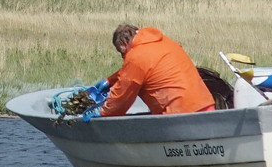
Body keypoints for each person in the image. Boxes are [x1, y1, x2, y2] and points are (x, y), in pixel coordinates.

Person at [83, 24, 216, 120]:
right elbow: (145, 68)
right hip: (206, 105)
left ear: (124, 43)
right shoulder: (162, 42)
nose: (123, 58)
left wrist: (104, 113)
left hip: (180, 115)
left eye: (121, 52)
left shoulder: (136, 56)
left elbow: (121, 98)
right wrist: (110, 81)